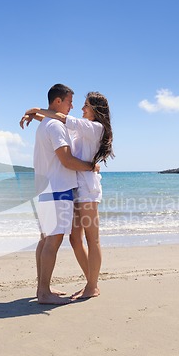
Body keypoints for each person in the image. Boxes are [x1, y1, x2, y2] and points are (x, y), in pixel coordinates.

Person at [21, 91, 113, 299]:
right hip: (74, 188)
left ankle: (92, 285)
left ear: (96, 110)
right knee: (74, 239)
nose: (81, 109)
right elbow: (56, 122)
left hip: (88, 189)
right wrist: (36, 117)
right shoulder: (81, 127)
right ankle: (90, 281)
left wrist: (34, 110)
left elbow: (60, 118)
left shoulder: (95, 128)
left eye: (86, 106)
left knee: (93, 239)